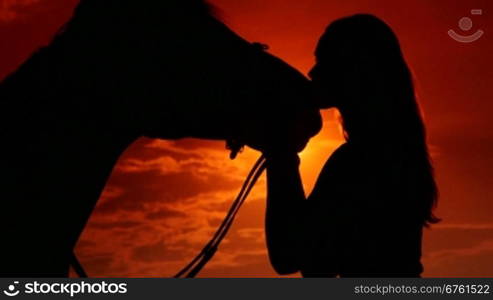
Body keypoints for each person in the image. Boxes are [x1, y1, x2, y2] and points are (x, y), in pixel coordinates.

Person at [263, 14, 439, 277]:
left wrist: (280, 153)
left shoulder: (361, 161)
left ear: (353, 70)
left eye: (323, 62)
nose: (312, 72)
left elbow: (288, 255)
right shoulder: (394, 154)